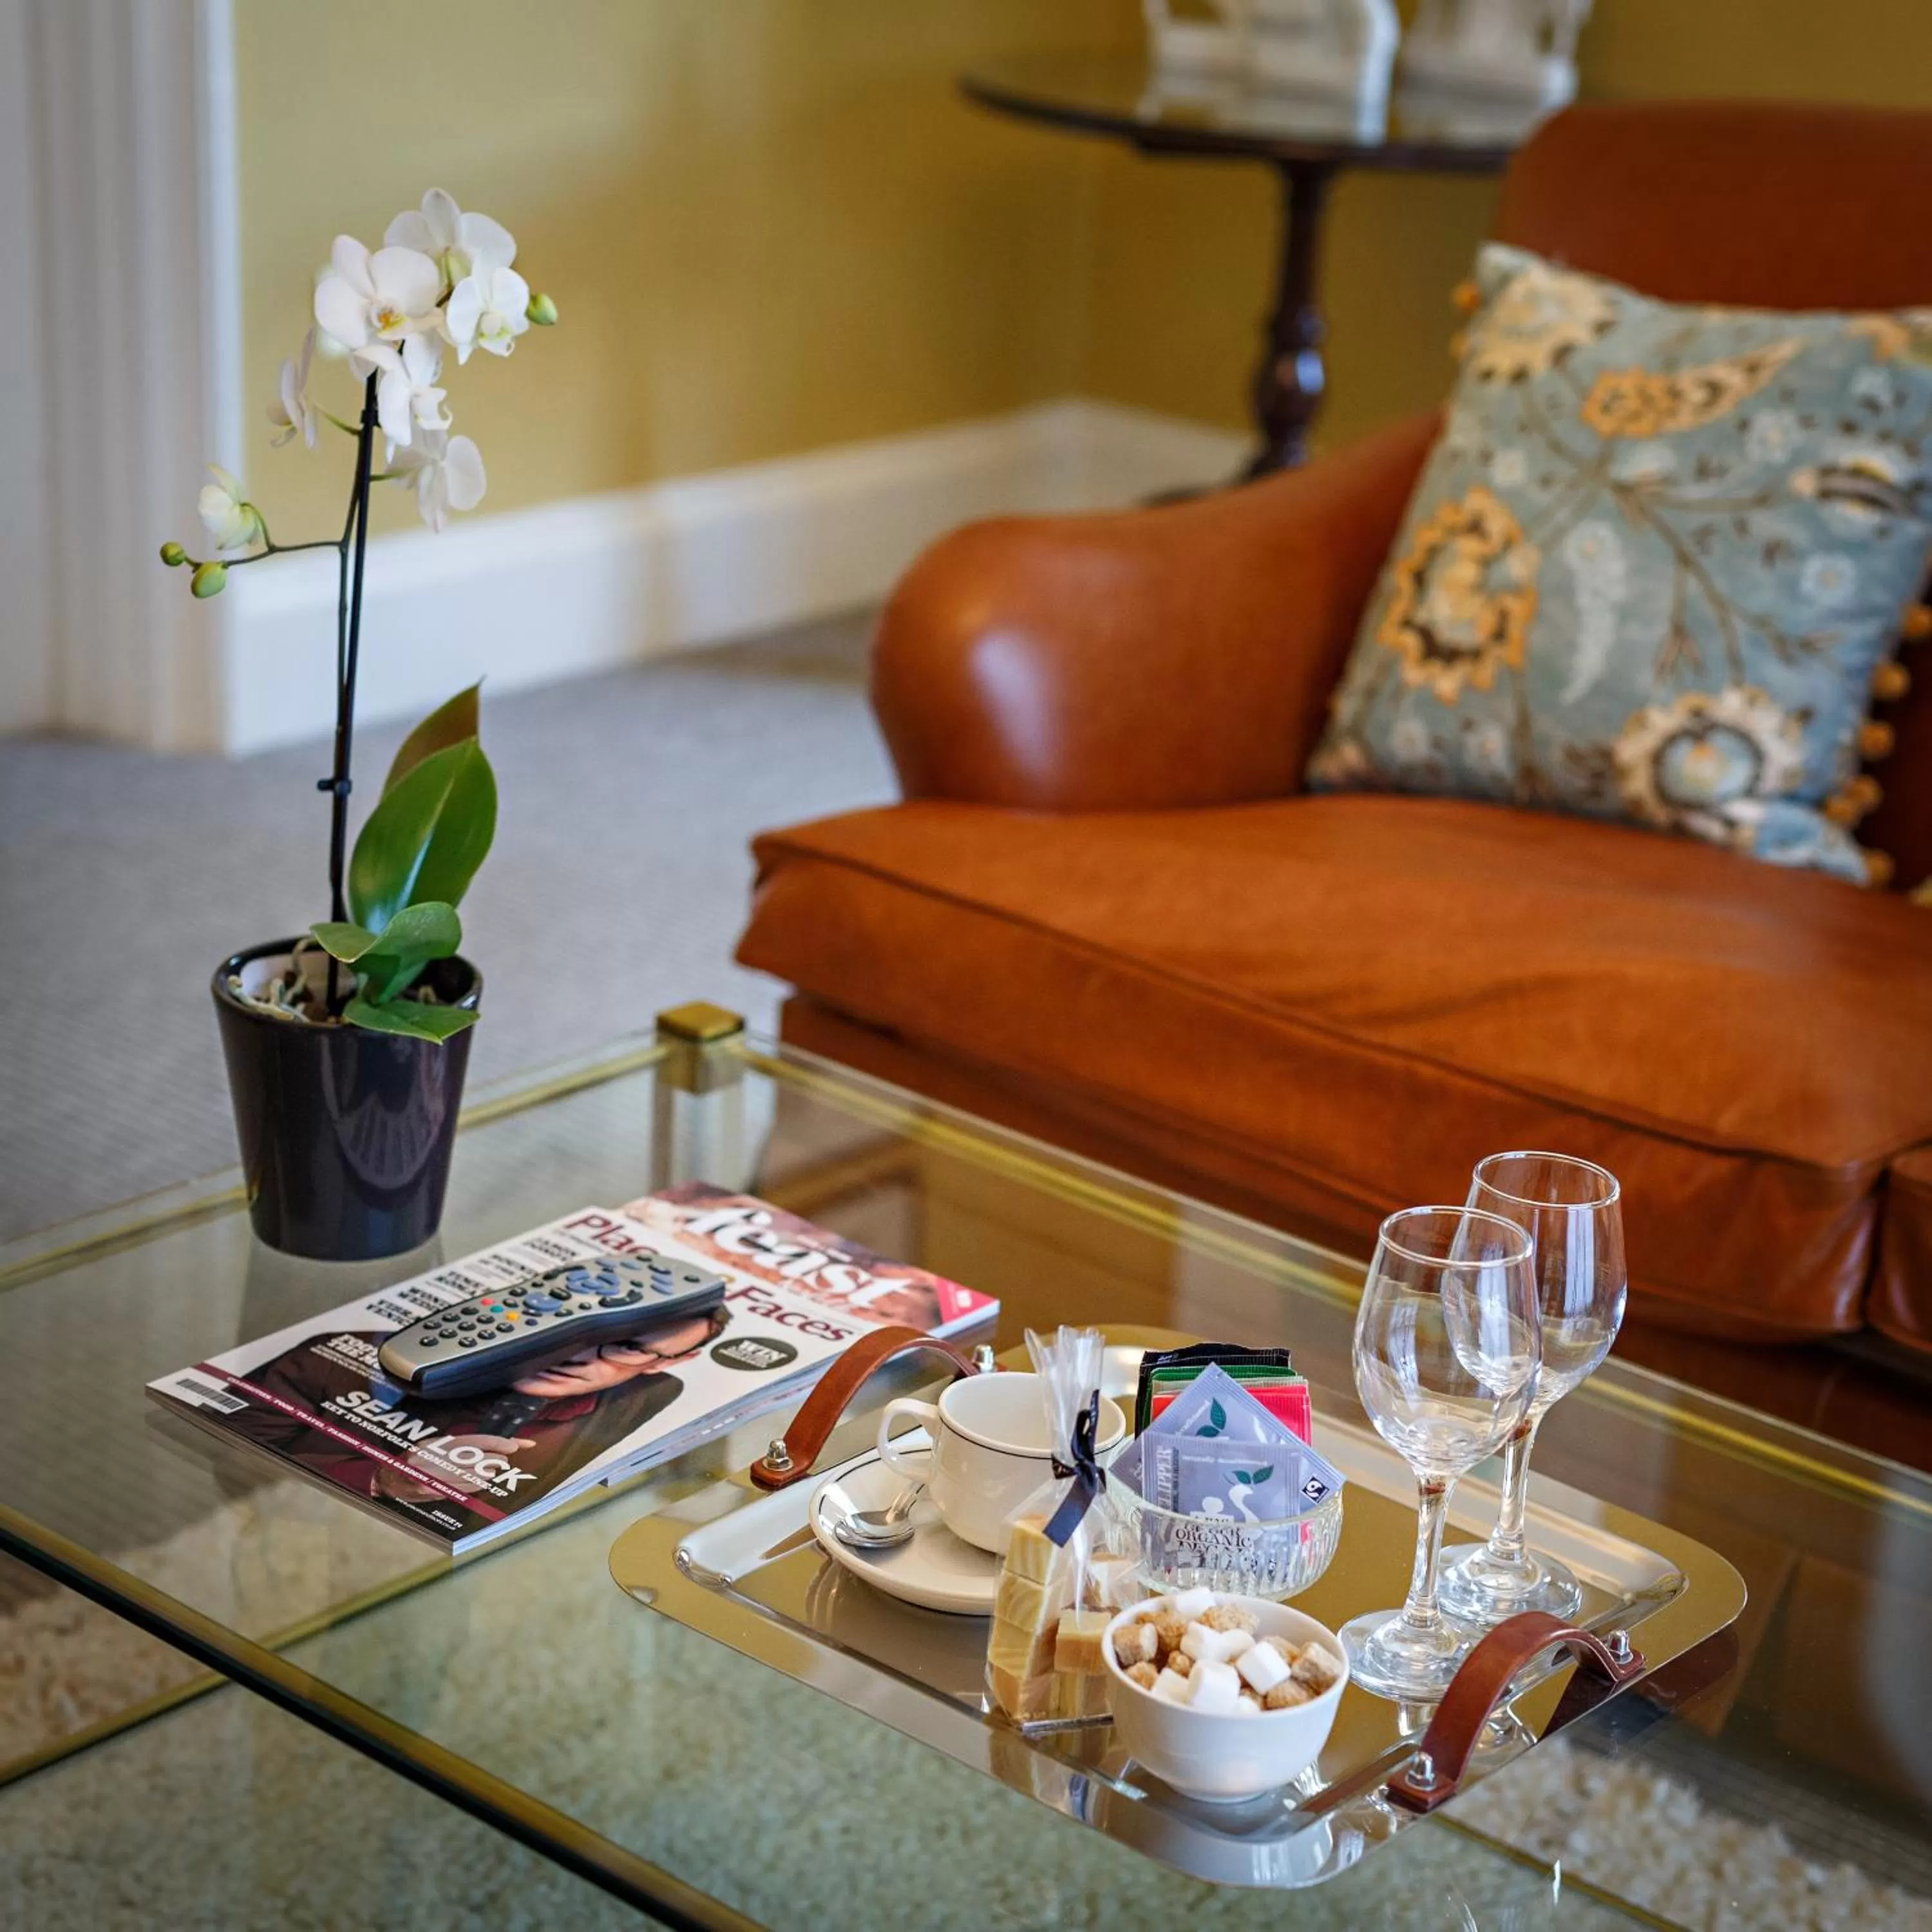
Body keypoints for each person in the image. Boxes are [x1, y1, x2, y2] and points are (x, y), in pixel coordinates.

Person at [218, 1303, 731, 1517]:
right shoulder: (350, 1352)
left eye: (628, 1348)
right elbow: (232, 1453)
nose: (582, 1353)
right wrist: (382, 1479)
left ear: (672, 1361)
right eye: (587, 1326)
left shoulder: (644, 1408)